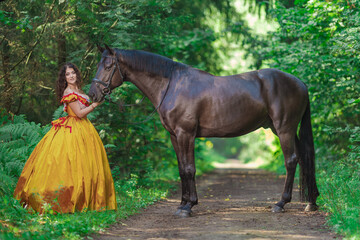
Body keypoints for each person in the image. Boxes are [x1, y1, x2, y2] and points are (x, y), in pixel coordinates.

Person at [13, 63, 117, 213]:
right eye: (68, 74)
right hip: (73, 129)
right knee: (69, 165)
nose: (71, 76)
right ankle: (65, 200)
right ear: (64, 78)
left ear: (77, 74)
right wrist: (95, 105)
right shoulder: (68, 92)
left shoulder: (79, 90)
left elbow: (84, 109)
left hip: (85, 129)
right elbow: (80, 114)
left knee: (86, 165)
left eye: (73, 72)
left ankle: (86, 199)